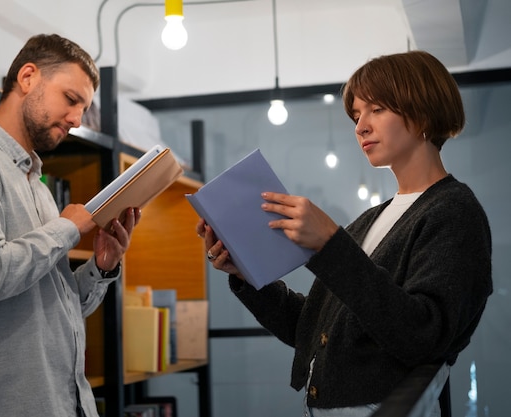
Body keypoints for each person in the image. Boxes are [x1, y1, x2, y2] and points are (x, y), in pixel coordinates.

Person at [198, 50, 492, 417]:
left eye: (377, 109)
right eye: (356, 115)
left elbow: (422, 334)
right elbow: (310, 330)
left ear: (422, 111)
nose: (360, 126)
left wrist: (330, 244)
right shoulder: (373, 219)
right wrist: (246, 275)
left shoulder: (453, 211)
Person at [0, 34, 139, 417]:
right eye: (71, 100)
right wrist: (67, 228)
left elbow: (53, 310)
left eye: (83, 109)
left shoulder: (36, 186)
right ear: (28, 77)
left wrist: (101, 267)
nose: (77, 120)